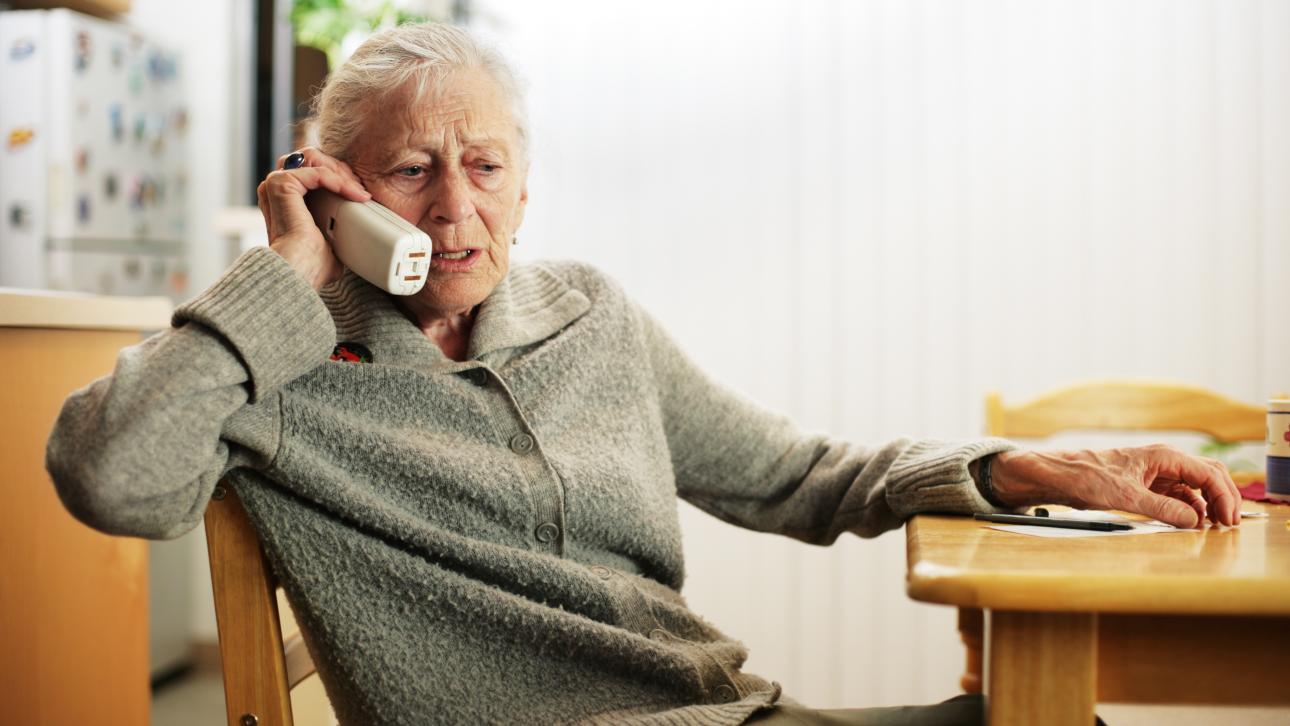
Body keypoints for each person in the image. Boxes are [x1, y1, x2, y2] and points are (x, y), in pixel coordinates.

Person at [46, 22, 1241, 726]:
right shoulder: (276, 355)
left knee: (1039, 715)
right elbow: (112, 476)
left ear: (527, 183)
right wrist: (286, 277)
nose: (457, 207)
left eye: (487, 165)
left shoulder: (587, 315)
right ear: (335, 190)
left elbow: (795, 477)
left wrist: (1015, 469)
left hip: (731, 712)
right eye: (411, 170)